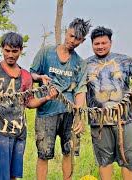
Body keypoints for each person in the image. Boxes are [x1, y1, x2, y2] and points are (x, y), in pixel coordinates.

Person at [0, 32, 58, 180]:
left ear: (20, 50)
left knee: (13, 176)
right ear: (2, 48)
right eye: (7, 50)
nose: (10, 55)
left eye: (15, 51)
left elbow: (29, 102)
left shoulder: (26, 76)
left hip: (19, 132)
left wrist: (47, 98)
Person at [85, 26, 132, 180]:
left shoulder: (126, 61)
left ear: (110, 42)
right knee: (104, 161)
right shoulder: (84, 65)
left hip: (126, 119)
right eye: (96, 44)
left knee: (129, 160)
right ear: (92, 44)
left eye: (103, 43)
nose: (100, 46)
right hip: (99, 122)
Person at [30, 18, 91, 180]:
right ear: (66, 32)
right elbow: (31, 74)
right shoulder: (45, 53)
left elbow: (80, 90)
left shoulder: (80, 63)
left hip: (69, 113)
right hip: (46, 112)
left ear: (82, 40)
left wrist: (79, 117)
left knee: (68, 152)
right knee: (43, 154)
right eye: (71, 36)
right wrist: (39, 77)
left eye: (77, 39)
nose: (73, 41)